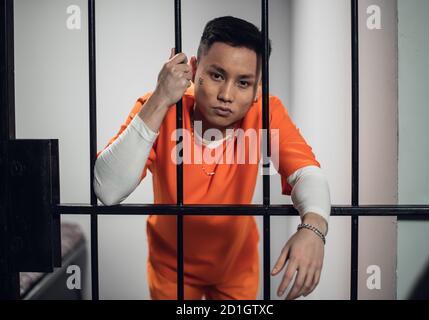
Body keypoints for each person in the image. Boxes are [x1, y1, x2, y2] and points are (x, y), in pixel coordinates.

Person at [94, 16, 331, 300]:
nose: (226, 95)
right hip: (171, 268)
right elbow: (106, 190)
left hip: (236, 266)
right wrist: (161, 97)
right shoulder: (159, 105)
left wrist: (314, 227)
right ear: (194, 70)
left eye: (243, 83)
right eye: (217, 75)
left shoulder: (266, 110)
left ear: (258, 89)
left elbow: (307, 172)